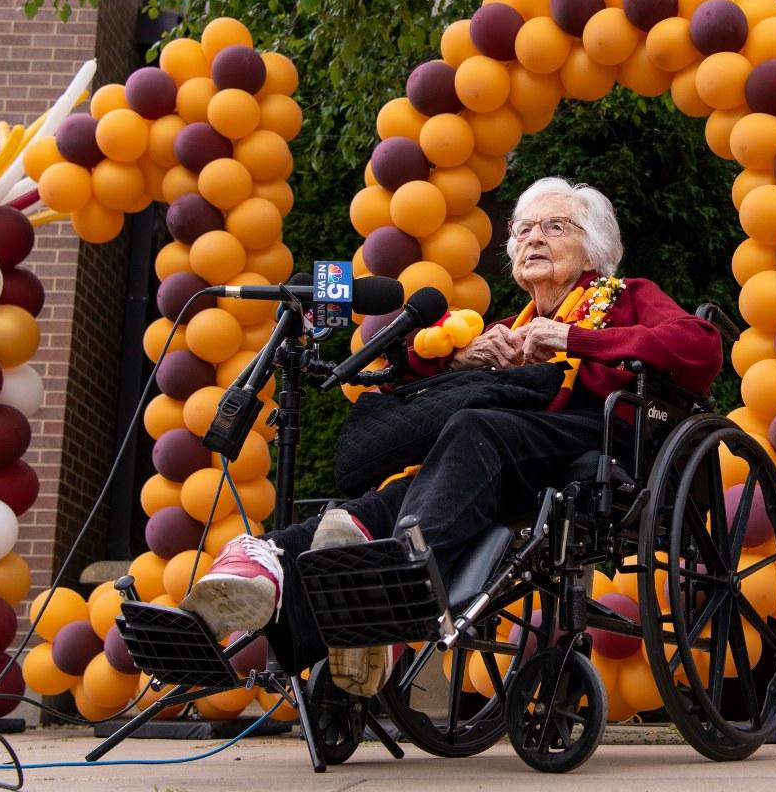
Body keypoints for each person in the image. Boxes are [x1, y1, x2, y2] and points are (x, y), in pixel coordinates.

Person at [181, 177, 723, 694]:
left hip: (600, 435)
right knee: (392, 495)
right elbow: (402, 376)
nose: (532, 237)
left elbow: (701, 346)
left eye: (555, 227)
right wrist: (463, 357)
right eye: (523, 228)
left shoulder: (626, 295)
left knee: (472, 429)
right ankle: (263, 567)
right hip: (510, 457)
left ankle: (389, 591)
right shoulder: (512, 327)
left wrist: (576, 338)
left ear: (595, 248)